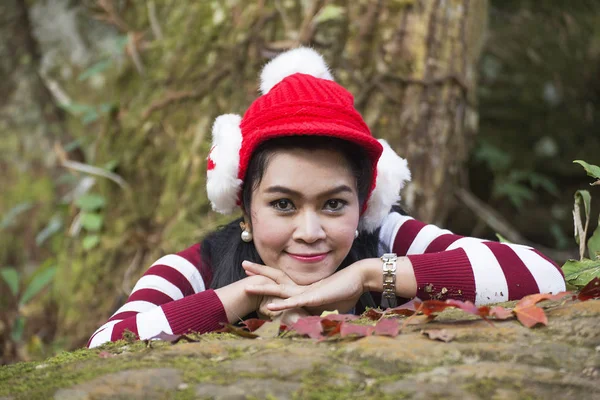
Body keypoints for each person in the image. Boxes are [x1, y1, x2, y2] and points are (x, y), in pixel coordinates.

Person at [87, 48, 566, 348]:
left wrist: (366, 274)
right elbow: (107, 343)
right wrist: (244, 294)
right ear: (244, 209)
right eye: (283, 204)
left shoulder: (385, 238)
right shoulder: (193, 269)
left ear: (364, 203)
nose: (311, 232)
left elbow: (541, 274)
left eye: (334, 204)